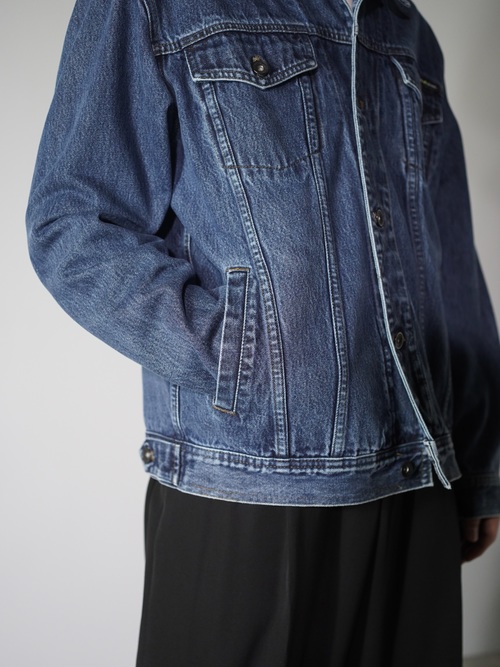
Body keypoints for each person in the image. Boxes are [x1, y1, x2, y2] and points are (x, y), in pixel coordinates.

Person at [26, 0, 500, 665]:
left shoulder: (406, 29)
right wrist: (237, 362)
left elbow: (448, 261)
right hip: (248, 488)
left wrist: (480, 461)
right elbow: (74, 224)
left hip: (418, 478)